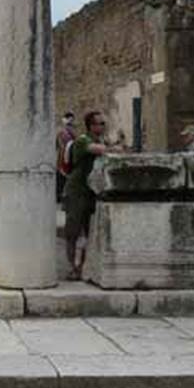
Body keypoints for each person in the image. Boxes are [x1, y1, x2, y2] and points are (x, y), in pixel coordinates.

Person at [61, 111, 110, 281]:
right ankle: (71, 267)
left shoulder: (101, 141)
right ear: (91, 125)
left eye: (103, 123)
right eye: (99, 123)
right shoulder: (83, 140)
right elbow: (97, 150)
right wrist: (115, 148)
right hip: (76, 191)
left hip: (91, 192)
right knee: (72, 233)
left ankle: (82, 267)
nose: (102, 126)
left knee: (90, 232)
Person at [55, 112, 77, 201]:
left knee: (63, 178)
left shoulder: (68, 132)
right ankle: (60, 195)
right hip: (63, 158)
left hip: (66, 158)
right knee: (62, 178)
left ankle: (62, 195)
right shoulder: (62, 132)